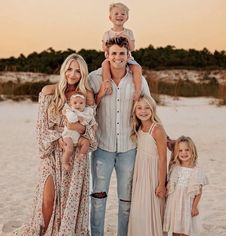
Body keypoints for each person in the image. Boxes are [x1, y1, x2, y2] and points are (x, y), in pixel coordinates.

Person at [14, 53, 97, 236]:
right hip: (51, 153)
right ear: (63, 70)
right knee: (48, 200)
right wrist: (61, 137)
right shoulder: (49, 91)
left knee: (68, 201)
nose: (73, 74)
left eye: (78, 71)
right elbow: (40, 129)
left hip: (75, 158)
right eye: (69, 69)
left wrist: (77, 129)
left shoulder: (86, 97)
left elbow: (92, 132)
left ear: (83, 74)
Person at [88, 36, 150, 236]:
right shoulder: (93, 78)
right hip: (102, 148)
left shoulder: (138, 81)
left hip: (128, 149)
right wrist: (99, 96)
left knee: (126, 201)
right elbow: (86, 111)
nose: (118, 57)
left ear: (128, 55)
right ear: (107, 55)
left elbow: (148, 109)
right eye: (113, 53)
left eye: (122, 53)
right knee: (98, 199)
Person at [127, 95, 167, 236]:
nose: (143, 111)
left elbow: (163, 159)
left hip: (153, 175)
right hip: (140, 174)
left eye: (147, 108)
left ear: (152, 109)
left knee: (152, 209)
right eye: (139, 108)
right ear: (134, 110)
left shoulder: (157, 129)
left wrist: (162, 184)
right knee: (139, 210)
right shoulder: (138, 128)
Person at [163, 136, 209, 236]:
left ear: (193, 151)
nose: (184, 153)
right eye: (180, 150)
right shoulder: (175, 167)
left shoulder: (196, 170)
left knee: (185, 229)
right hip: (174, 205)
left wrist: (194, 207)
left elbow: (199, 192)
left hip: (187, 205)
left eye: (187, 150)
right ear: (176, 153)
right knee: (175, 229)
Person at [101, 2, 142, 101]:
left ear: (127, 17)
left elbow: (132, 48)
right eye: (116, 14)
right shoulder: (107, 33)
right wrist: (111, 42)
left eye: (123, 14)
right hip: (112, 59)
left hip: (127, 59)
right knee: (104, 64)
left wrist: (127, 38)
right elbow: (104, 48)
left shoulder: (129, 32)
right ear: (110, 17)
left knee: (137, 67)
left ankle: (138, 90)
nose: (120, 16)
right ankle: (107, 83)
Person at [62, 92, 97, 171]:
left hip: (78, 137)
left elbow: (91, 120)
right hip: (68, 136)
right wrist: (79, 118)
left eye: (81, 103)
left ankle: (82, 153)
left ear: (85, 104)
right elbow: (72, 119)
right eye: (75, 103)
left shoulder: (86, 112)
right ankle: (65, 162)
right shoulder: (70, 111)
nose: (78, 105)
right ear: (71, 104)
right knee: (69, 149)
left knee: (86, 142)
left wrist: (94, 125)